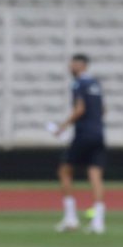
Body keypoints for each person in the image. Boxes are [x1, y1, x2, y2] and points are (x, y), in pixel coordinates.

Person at [51, 52, 106, 234]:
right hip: (99, 133)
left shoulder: (78, 84)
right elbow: (103, 109)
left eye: (72, 64)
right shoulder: (96, 84)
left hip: (83, 134)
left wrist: (63, 127)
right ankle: (98, 221)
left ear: (81, 65)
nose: (70, 67)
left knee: (65, 170)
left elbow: (80, 109)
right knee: (95, 174)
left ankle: (71, 218)